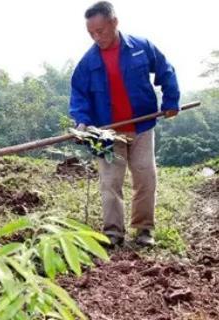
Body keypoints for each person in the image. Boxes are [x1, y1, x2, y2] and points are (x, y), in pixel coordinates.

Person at [69, 1, 180, 247]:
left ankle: (144, 230)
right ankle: (113, 233)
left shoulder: (141, 47)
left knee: (145, 178)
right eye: (91, 33)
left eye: (101, 31)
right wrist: (82, 122)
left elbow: (165, 70)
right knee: (110, 183)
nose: (97, 37)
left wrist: (171, 100)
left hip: (142, 126)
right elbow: (78, 95)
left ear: (114, 22)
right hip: (105, 132)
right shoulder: (87, 62)